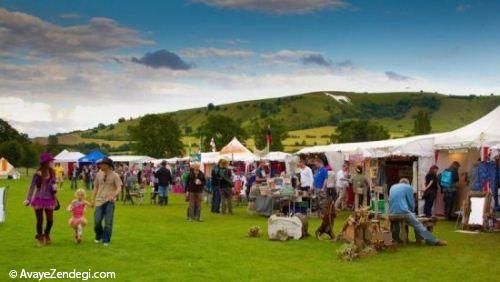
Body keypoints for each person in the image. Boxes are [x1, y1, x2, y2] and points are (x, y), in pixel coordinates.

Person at [389, 178, 447, 246]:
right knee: (418, 225)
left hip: (392, 211)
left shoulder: (393, 187)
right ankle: (433, 241)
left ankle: (396, 240)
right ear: (407, 183)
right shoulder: (408, 187)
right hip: (403, 211)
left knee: (396, 223)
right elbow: (411, 202)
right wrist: (412, 211)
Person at [24, 152, 58, 246]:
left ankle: (46, 234)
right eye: (50, 161)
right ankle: (40, 237)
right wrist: (28, 199)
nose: (52, 162)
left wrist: (55, 188)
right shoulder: (37, 174)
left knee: (50, 220)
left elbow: (54, 184)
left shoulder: (52, 172)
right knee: (40, 220)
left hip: (50, 199)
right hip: (39, 199)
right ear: (45, 163)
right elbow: (32, 187)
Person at [92, 157, 122, 246]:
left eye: (102, 164)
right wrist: (92, 198)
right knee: (97, 221)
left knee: (108, 222)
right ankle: (99, 234)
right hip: (99, 200)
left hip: (110, 201)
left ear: (108, 166)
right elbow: (96, 187)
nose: (100, 165)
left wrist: (114, 195)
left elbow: (119, 187)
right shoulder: (98, 174)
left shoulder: (115, 175)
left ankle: (106, 240)